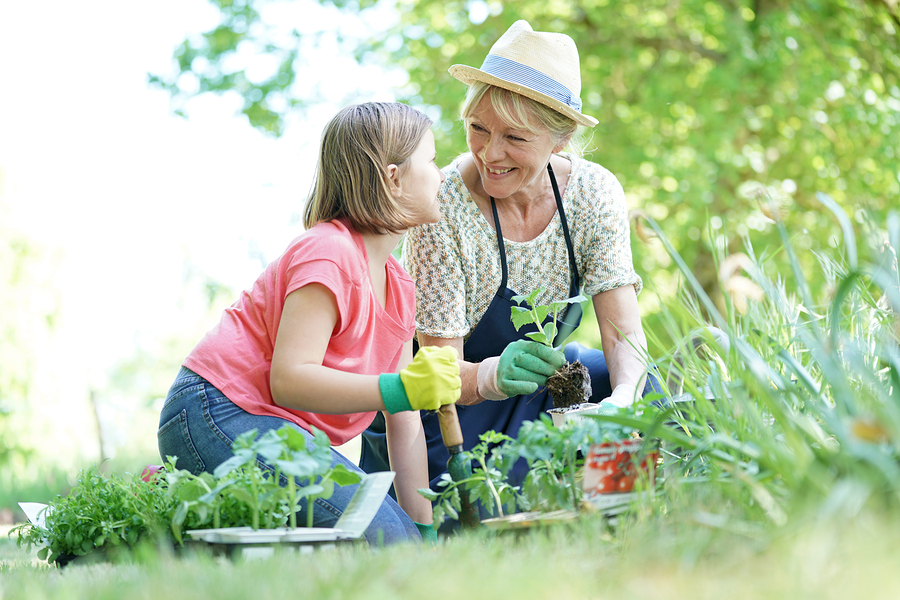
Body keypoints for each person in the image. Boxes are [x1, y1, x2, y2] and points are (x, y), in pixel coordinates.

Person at [360, 21, 660, 509]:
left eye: (515, 138)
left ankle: (614, 518)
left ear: (559, 140)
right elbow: (439, 371)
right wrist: (492, 376)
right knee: (474, 510)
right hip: (444, 410)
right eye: (478, 127)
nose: (489, 153)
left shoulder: (592, 194)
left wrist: (623, 399)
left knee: (644, 390)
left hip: (537, 395)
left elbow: (624, 334)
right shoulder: (445, 204)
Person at [157, 102, 461, 546]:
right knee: (385, 540)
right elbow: (289, 379)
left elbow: (404, 420)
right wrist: (399, 388)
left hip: (272, 428)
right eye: (432, 161)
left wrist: (425, 528)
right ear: (393, 178)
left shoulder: (399, 287)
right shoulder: (329, 251)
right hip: (215, 411)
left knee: (404, 541)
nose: (441, 175)